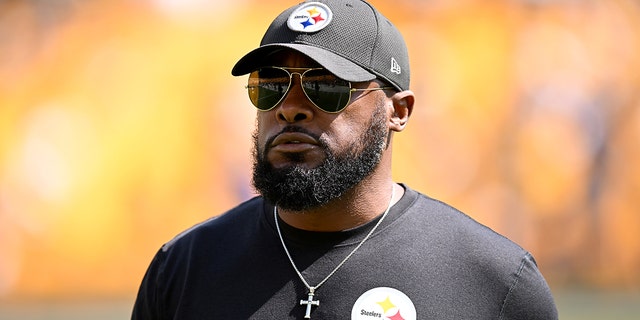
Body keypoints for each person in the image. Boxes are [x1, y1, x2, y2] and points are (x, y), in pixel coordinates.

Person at [131, 0, 558, 319]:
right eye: (271, 85)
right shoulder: (185, 269)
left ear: (399, 111)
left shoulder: (493, 282)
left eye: (327, 86)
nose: (290, 108)